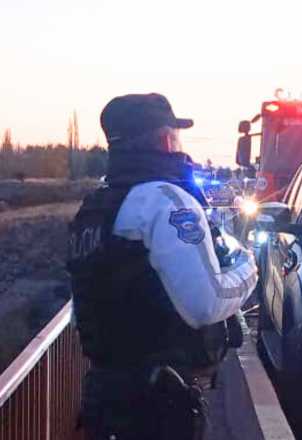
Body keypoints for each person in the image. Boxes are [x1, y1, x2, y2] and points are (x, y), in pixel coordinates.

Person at [68, 93, 259, 440]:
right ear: (165, 138)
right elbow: (206, 303)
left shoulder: (99, 207)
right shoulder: (165, 200)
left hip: (107, 394)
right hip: (159, 403)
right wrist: (248, 268)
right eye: (177, 133)